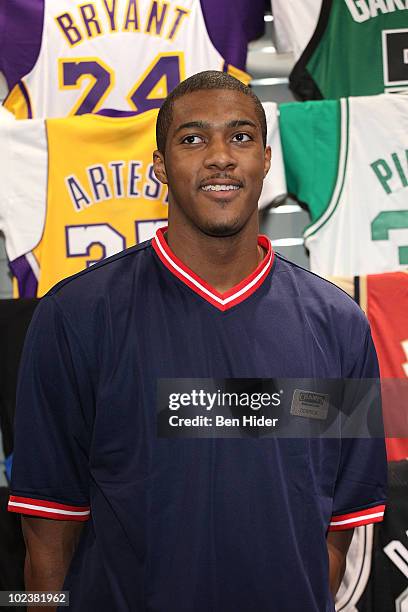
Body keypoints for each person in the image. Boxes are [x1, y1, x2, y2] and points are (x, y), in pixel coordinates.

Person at [8, 71, 387, 611]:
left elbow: (337, 526)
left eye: (240, 137)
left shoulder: (341, 324)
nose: (220, 157)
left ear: (265, 159)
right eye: (192, 139)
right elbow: (47, 532)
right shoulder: (74, 316)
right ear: (160, 166)